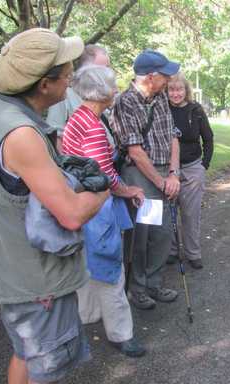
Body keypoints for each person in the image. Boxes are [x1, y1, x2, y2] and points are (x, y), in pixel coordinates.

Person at [0, 28, 109, 384]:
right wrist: (103, 189)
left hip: (7, 268)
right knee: (47, 368)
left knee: (26, 354)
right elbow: (72, 213)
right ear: (45, 85)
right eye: (66, 73)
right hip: (34, 281)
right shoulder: (21, 134)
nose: (72, 77)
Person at [62, 64, 146, 357]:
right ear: (101, 92)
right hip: (96, 208)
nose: (115, 91)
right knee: (111, 270)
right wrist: (131, 190)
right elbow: (104, 178)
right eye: (112, 86)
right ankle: (122, 334)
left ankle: (87, 316)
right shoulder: (94, 126)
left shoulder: (78, 118)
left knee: (87, 265)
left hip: (79, 205)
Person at [111, 49, 181, 310]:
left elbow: (173, 135)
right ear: (151, 77)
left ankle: (154, 282)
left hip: (165, 173)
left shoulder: (160, 96)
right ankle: (137, 288)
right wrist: (161, 182)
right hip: (141, 175)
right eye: (165, 75)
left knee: (164, 234)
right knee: (143, 235)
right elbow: (135, 151)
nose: (169, 80)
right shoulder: (125, 102)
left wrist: (173, 174)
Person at [166, 72, 214, 269]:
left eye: (179, 89)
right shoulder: (162, 109)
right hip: (167, 169)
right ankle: (171, 251)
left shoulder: (196, 110)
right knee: (169, 213)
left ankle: (192, 253)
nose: (176, 93)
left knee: (190, 214)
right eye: (171, 89)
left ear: (186, 91)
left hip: (192, 167)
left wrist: (204, 165)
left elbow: (208, 139)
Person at [47, 44, 111, 152]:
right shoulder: (64, 95)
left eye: (108, 68)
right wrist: (67, 167)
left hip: (110, 161)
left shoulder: (101, 93)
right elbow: (56, 137)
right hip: (87, 166)